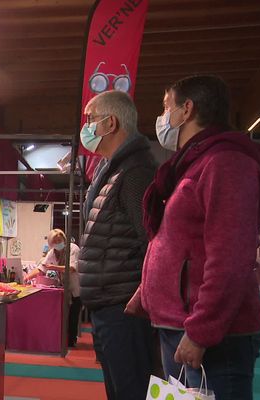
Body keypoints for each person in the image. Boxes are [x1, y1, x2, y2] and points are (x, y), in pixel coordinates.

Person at [127, 75, 260, 400]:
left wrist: (203, 330)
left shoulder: (227, 162)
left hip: (211, 334)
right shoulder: (193, 163)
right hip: (180, 324)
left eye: (166, 107)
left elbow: (230, 257)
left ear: (187, 109)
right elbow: (181, 242)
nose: (162, 117)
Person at [79, 90, 157, 399]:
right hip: (107, 301)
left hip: (124, 305)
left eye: (90, 120)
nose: (86, 127)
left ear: (110, 123)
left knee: (130, 390)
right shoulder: (109, 169)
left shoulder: (135, 171)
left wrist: (141, 297)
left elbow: (151, 240)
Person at [25, 229, 81, 347]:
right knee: (63, 315)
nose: (58, 243)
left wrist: (53, 267)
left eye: (59, 241)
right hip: (64, 288)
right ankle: (62, 340)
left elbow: (72, 268)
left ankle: (71, 341)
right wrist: (27, 277)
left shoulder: (73, 249)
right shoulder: (52, 252)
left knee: (73, 315)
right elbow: (41, 268)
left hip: (76, 288)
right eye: (55, 242)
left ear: (64, 240)